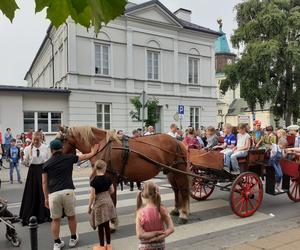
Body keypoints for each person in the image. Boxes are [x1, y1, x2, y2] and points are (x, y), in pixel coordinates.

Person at [42, 139, 98, 250]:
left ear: (51, 150)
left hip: (54, 194)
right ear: (61, 148)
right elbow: (84, 157)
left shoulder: (46, 164)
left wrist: (46, 198)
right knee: (71, 217)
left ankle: (57, 243)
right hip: (68, 191)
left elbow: (44, 183)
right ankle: (73, 239)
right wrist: (93, 151)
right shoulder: (69, 158)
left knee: (55, 219)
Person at [19, 131, 51, 226]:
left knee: (43, 191)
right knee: (31, 192)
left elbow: (48, 160)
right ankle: (31, 214)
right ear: (32, 139)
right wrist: (22, 157)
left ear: (41, 139)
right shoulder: (28, 148)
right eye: (34, 140)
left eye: (37, 140)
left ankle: (45, 214)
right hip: (32, 172)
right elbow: (26, 163)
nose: (35, 141)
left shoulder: (46, 148)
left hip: (43, 170)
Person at [136, 181, 174, 250]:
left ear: (143, 194)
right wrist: (159, 236)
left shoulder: (140, 212)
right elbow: (171, 229)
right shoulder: (162, 209)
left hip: (145, 247)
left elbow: (140, 235)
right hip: (160, 245)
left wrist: (154, 233)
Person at [88, 160, 116, 250]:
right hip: (108, 203)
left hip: (99, 204)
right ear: (104, 168)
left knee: (100, 226)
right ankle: (108, 245)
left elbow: (92, 196)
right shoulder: (108, 179)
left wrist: (89, 207)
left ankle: (101, 246)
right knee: (107, 226)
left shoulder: (94, 181)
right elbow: (112, 191)